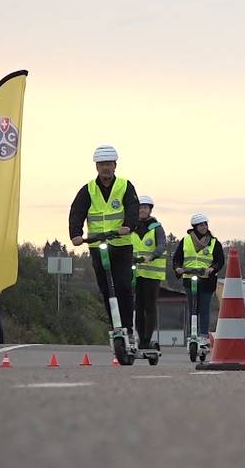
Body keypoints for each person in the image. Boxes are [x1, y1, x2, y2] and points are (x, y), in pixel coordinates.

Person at [68, 145, 139, 339]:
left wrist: (128, 225)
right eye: (101, 165)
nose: (105, 168)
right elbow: (77, 212)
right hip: (97, 245)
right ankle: (115, 326)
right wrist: (76, 233)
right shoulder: (88, 189)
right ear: (96, 167)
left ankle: (127, 328)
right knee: (106, 287)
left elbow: (133, 208)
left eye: (108, 164)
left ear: (115, 165)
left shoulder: (125, 186)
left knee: (123, 285)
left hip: (121, 244)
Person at [172, 214, 225, 342]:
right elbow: (177, 258)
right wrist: (178, 268)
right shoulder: (186, 240)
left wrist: (212, 268)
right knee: (192, 308)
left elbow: (220, 260)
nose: (204, 227)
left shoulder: (213, 242)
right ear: (195, 227)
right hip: (190, 279)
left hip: (207, 280)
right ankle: (192, 335)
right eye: (201, 225)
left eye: (206, 224)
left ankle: (204, 336)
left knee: (204, 308)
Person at [131, 195, 166, 349]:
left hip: (152, 274)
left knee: (149, 307)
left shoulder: (156, 227)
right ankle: (140, 338)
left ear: (150, 210)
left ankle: (147, 339)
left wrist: (151, 256)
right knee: (138, 307)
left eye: (145, 208)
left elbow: (161, 245)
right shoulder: (132, 227)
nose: (142, 210)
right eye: (140, 207)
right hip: (135, 274)